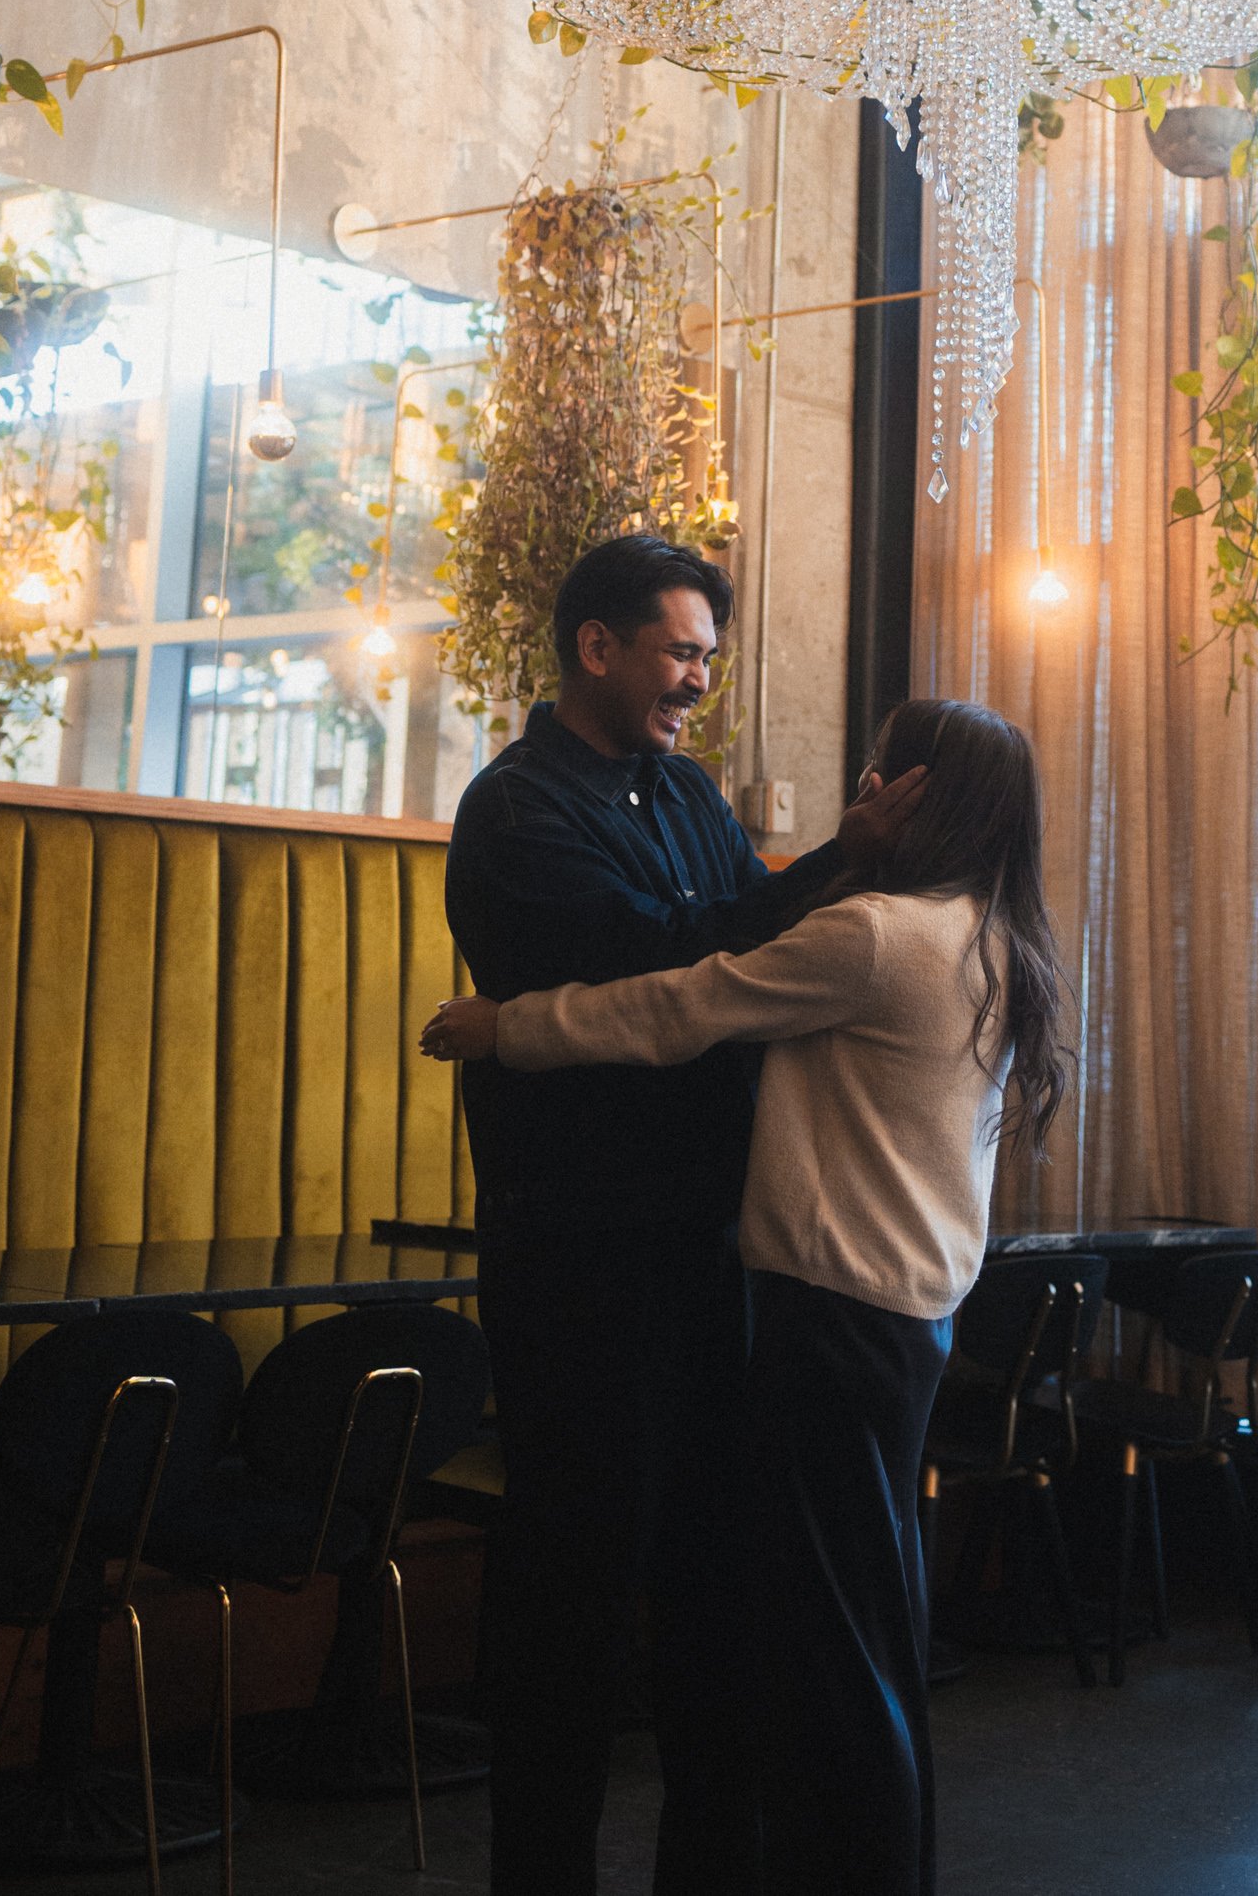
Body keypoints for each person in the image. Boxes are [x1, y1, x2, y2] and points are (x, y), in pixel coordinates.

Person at [424, 696, 1074, 1896]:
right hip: (911, 1317)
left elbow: (679, 1004)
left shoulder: (877, 934)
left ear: (913, 794)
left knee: (832, 1655)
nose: (863, 788)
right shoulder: (994, 935)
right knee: (868, 1635)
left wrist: (503, 1026)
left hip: (830, 1317)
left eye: (881, 773)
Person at [437, 533, 926, 1896]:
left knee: (717, 1595)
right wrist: (842, 856)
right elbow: (671, 970)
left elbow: (732, 945)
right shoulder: (516, 810)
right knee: (575, 1599)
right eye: (680, 653)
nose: (698, 682)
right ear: (596, 647)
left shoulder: (691, 790)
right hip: (581, 1255)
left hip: (715, 1245)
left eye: (709, 656)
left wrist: (809, 884)